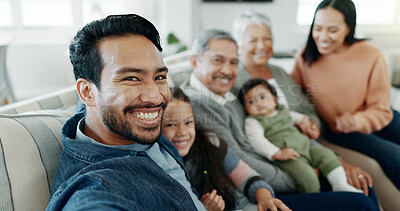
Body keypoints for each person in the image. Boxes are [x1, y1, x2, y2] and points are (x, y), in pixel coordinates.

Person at [180, 28, 379, 211]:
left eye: (233, 62)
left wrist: (334, 160)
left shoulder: (233, 93)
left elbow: (283, 126)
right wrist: (301, 175)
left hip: (292, 167)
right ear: (195, 62)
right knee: (359, 203)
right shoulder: (196, 104)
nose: (227, 70)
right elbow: (237, 158)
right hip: (261, 192)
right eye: (218, 60)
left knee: (362, 185)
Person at [47, 14, 207, 210]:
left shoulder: (116, 120)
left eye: (159, 77)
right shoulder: (95, 190)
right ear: (87, 92)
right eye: (131, 78)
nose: (156, 97)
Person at [232, 9, 374, 195]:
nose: (262, 46)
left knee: (364, 187)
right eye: (253, 40)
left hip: (308, 147)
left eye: (267, 39)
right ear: (239, 45)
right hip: (282, 160)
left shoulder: (280, 73)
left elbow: (307, 110)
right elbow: (247, 141)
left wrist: (312, 124)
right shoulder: (234, 83)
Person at [291, 0, 400, 190]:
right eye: (317, 28)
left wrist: (356, 120)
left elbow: (381, 109)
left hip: (381, 118)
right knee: (396, 159)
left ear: (348, 28)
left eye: (332, 30)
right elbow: (294, 98)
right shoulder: (304, 58)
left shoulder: (371, 54)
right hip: (343, 131)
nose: (323, 37)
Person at [162, 87, 290, 211]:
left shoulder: (212, 142)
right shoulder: (160, 163)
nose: (183, 132)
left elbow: (248, 178)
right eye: (171, 125)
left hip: (241, 205)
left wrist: (265, 198)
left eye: (188, 122)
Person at [238, 78, 362, 194]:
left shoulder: (283, 111)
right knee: (307, 176)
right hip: (288, 156)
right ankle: (315, 200)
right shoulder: (253, 122)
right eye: (251, 101)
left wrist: (307, 124)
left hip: (306, 148)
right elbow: (257, 141)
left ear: (275, 99)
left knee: (327, 155)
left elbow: (300, 118)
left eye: (262, 97)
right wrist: (277, 153)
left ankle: (339, 184)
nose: (258, 103)